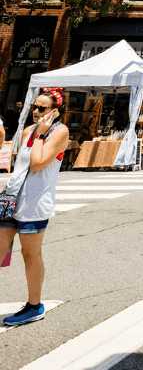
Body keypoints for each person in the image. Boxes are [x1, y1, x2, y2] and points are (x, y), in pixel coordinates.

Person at [0, 87, 69, 327]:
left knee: (30, 254)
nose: (36, 111)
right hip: (10, 199)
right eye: (34, 107)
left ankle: (34, 306)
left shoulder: (60, 132)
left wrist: (40, 135)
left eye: (42, 108)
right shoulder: (28, 129)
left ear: (55, 111)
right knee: (0, 251)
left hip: (35, 204)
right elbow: (20, 165)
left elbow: (38, 163)